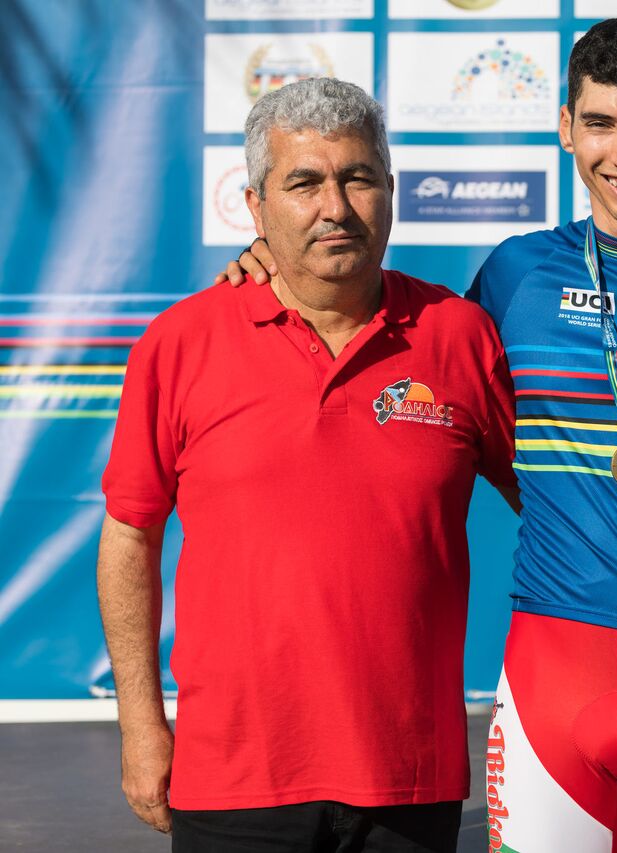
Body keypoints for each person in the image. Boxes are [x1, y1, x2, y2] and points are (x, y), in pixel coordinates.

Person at [225, 17, 617, 853]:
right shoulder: (513, 278)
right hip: (550, 693)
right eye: (600, 124)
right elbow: (381, 351)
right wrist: (271, 262)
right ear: (564, 128)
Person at [98, 78, 521, 852]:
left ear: (390, 190)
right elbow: (129, 535)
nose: (336, 207)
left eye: (358, 177)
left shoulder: (459, 335)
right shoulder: (180, 342)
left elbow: (563, 503)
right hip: (234, 777)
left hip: (410, 776)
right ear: (256, 207)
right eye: (304, 183)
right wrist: (140, 723)